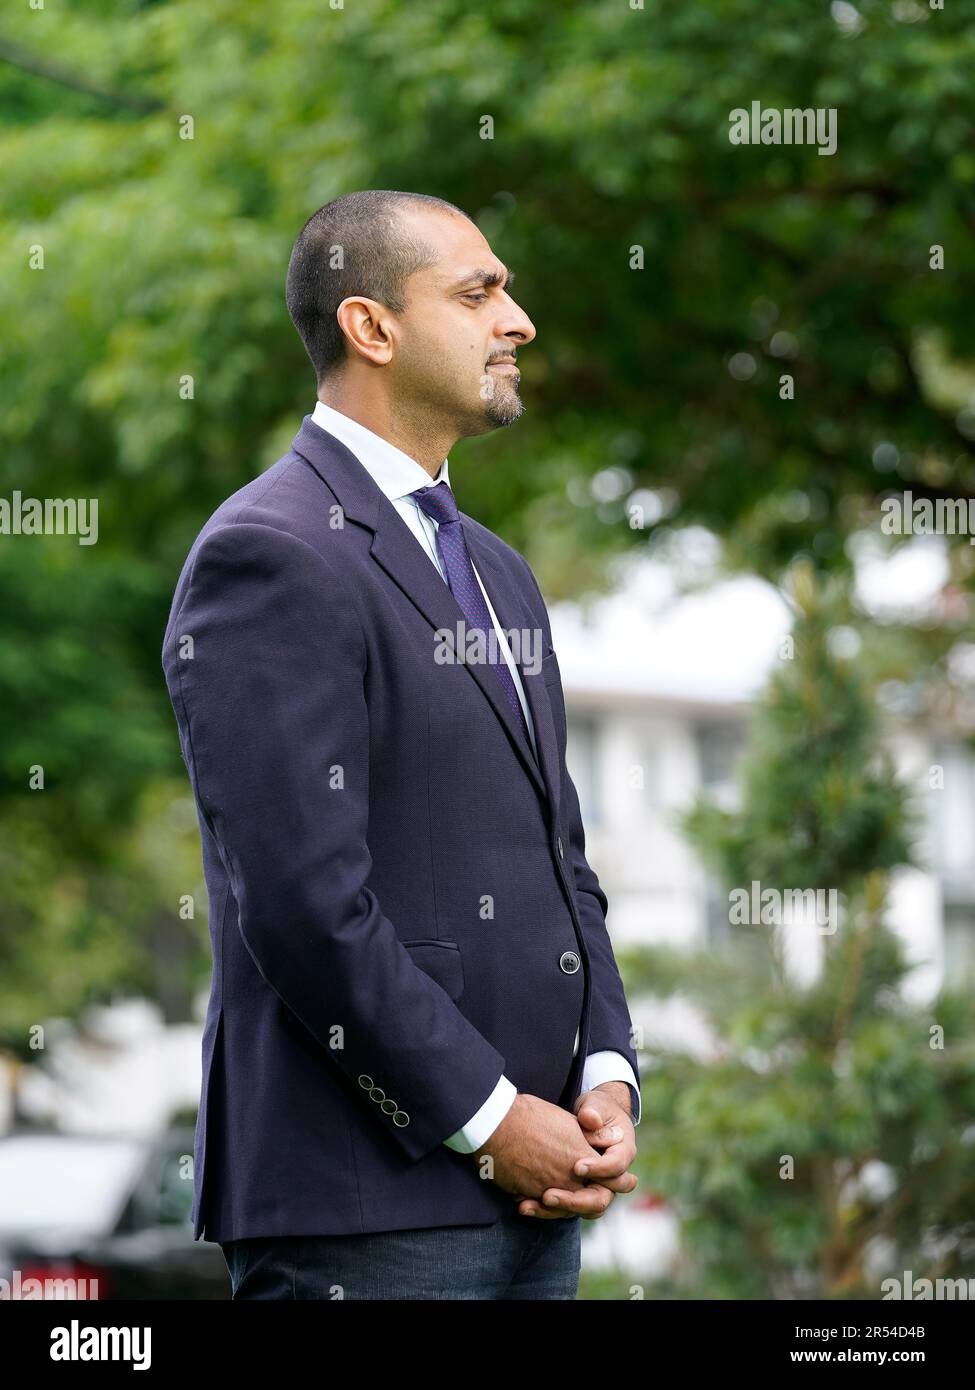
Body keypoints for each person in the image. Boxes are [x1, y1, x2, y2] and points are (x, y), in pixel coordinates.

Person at [161, 190, 641, 1300]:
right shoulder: (266, 554)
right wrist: (486, 1117)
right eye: (480, 293)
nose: (516, 320)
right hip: (364, 1209)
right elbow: (302, 905)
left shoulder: (500, 570)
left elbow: (564, 859)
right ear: (372, 328)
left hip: (541, 1195)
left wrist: (605, 1076)